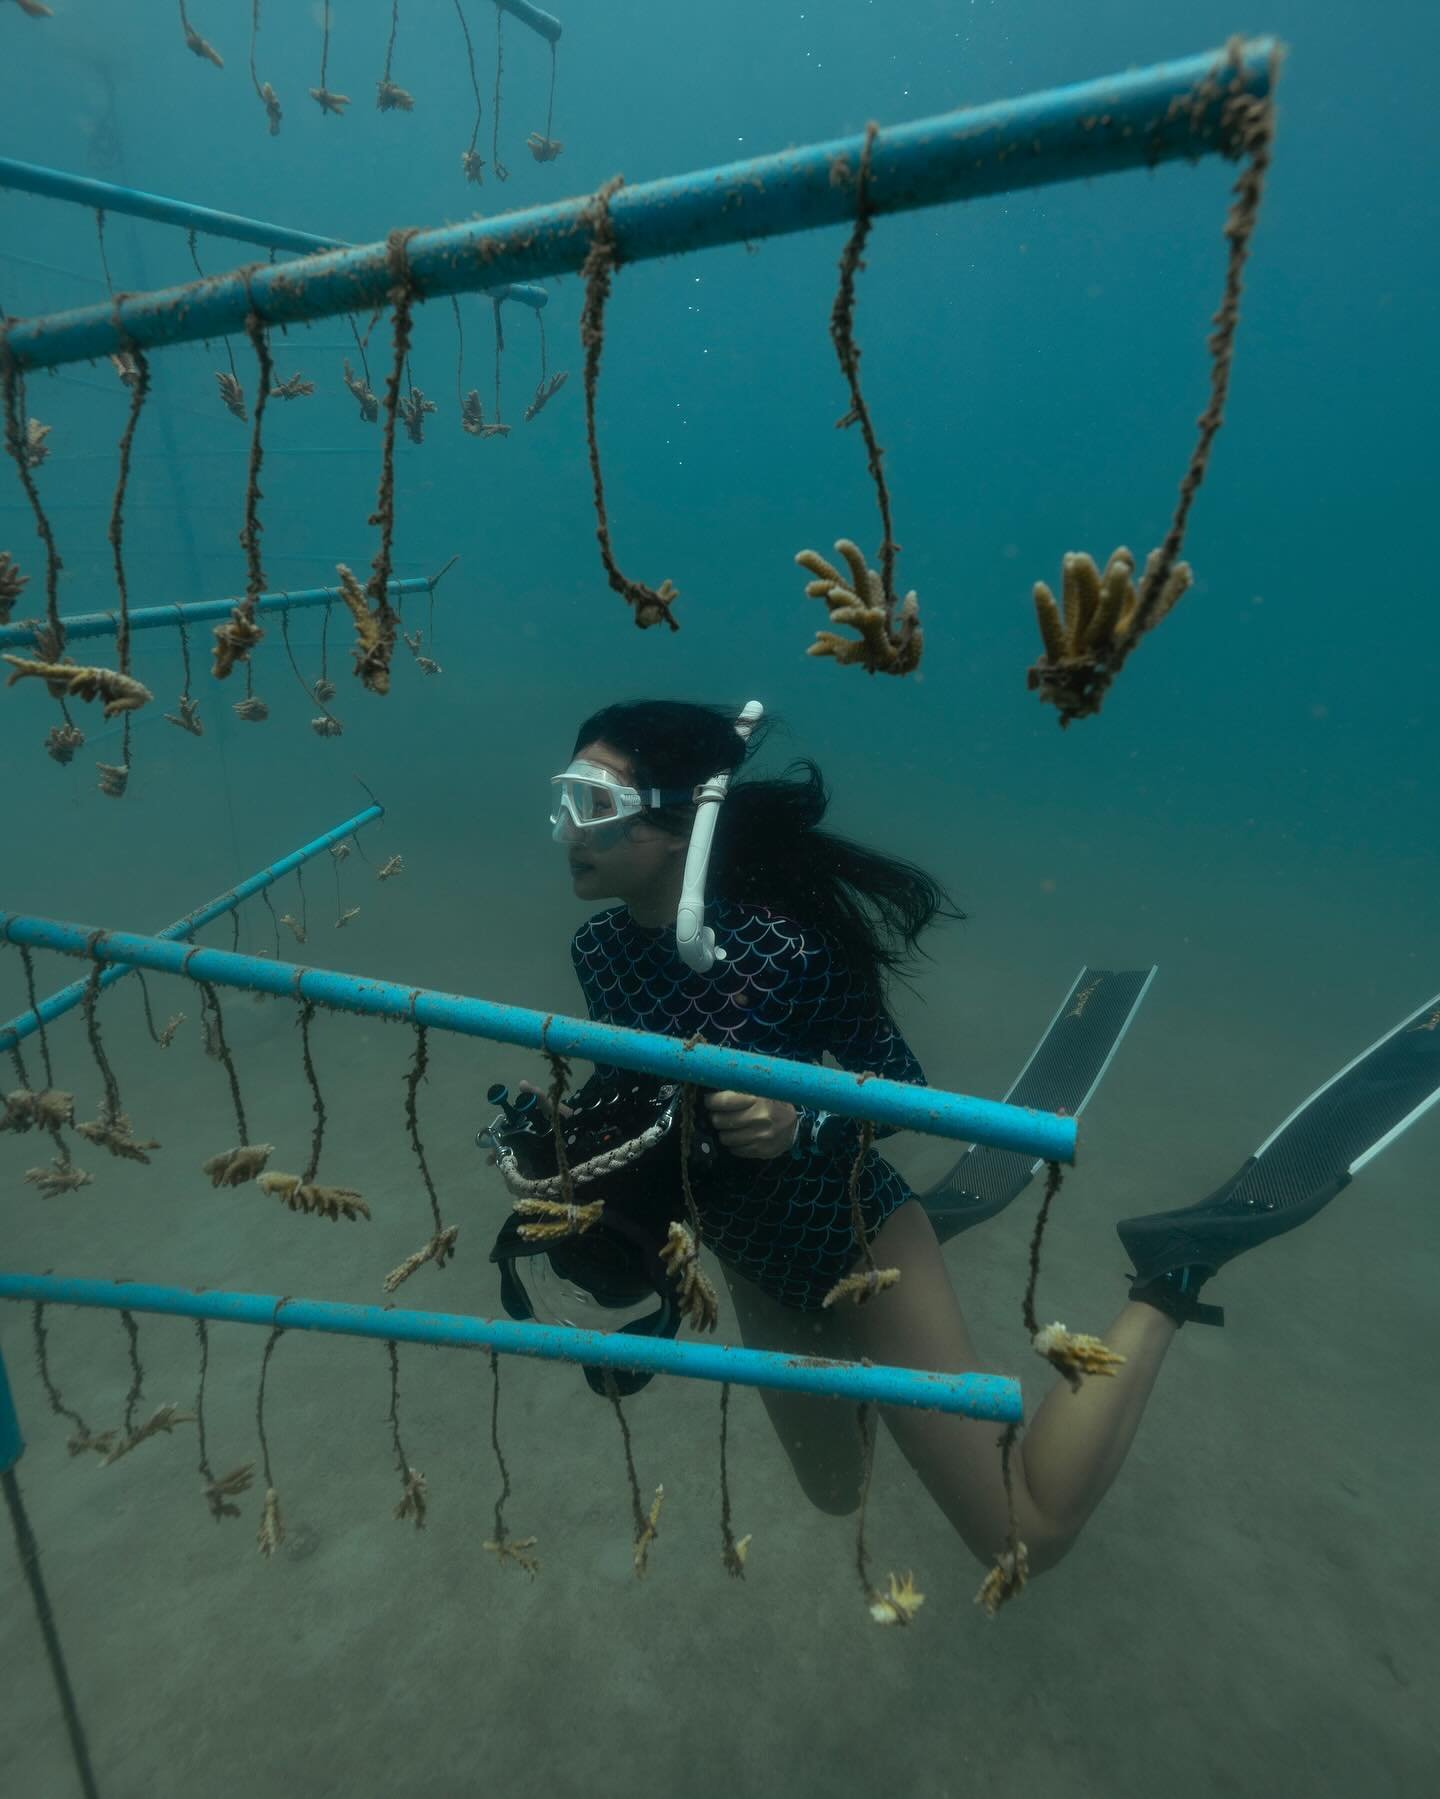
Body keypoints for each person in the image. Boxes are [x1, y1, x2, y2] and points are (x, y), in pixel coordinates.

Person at [506, 698, 1440, 1580]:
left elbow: (905, 1091)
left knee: (1022, 1539)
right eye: (565, 799)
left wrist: (804, 1119)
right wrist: (569, 1148)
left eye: (594, 804)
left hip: (854, 1234)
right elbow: (635, 1090)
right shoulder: (601, 951)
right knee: (837, 1495)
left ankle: (1170, 1273)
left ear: (682, 824)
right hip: (752, 1255)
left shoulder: (784, 948)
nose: (568, 829)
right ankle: (900, 1364)